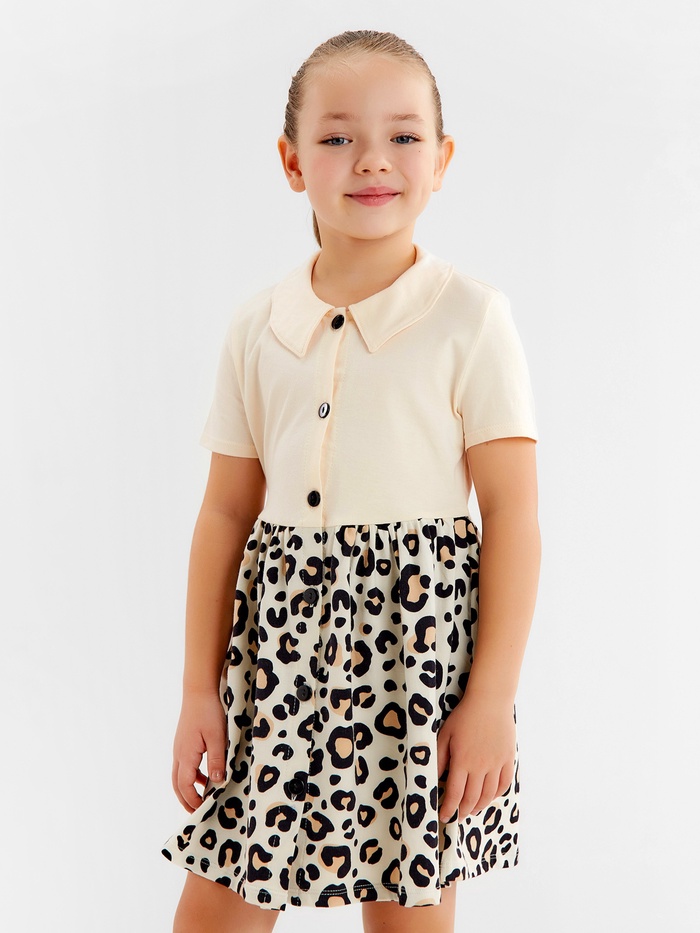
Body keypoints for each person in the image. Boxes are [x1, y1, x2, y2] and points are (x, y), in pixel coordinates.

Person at [161, 28, 541, 933]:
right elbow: (224, 513)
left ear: (441, 159)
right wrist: (198, 688)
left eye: (404, 136)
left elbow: (514, 514)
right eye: (337, 137)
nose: (373, 159)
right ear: (293, 162)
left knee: (407, 912)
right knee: (220, 906)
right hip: (276, 659)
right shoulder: (258, 327)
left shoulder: (471, 318)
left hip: (417, 661)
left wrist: (491, 699)